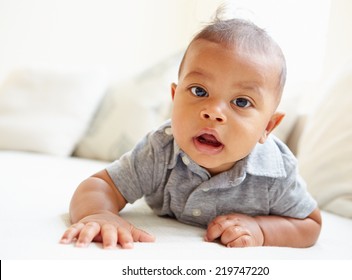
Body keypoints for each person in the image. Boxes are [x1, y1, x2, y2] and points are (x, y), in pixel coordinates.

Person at [60, 16, 321, 249]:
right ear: (174, 98)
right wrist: (100, 214)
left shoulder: (275, 173)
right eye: (199, 91)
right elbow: (100, 185)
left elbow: (309, 223)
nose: (213, 112)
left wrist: (262, 230)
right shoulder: (160, 150)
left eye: (241, 102)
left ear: (267, 127)